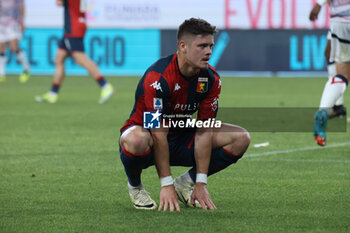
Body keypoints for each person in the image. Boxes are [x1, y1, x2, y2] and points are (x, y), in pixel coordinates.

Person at [119, 18, 250, 211]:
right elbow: (158, 132)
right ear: (183, 46)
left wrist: (201, 182)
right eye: (202, 46)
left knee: (241, 138)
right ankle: (136, 186)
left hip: (181, 135)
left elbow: (205, 130)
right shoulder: (158, 78)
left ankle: (185, 182)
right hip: (149, 138)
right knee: (136, 140)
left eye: (211, 46)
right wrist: (166, 184)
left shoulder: (210, 79)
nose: (209, 52)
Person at [35, 0, 114, 104]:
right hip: (77, 25)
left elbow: (59, 3)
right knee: (59, 58)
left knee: (81, 59)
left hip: (73, 29)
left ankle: (105, 86)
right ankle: (52, 94)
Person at [311, 0, 350, 146]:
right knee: (330, 55)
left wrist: (319, 5)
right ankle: (336, 107)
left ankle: (324, 110)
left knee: (342, 74)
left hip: (339, 21)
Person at [0, 0, 31, 83]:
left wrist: (22, 21)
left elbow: (21, 6)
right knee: (2, 48)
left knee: (14, 48)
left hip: (13, 22)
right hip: (2, 23)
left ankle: (26, 68)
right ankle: (1, 74)